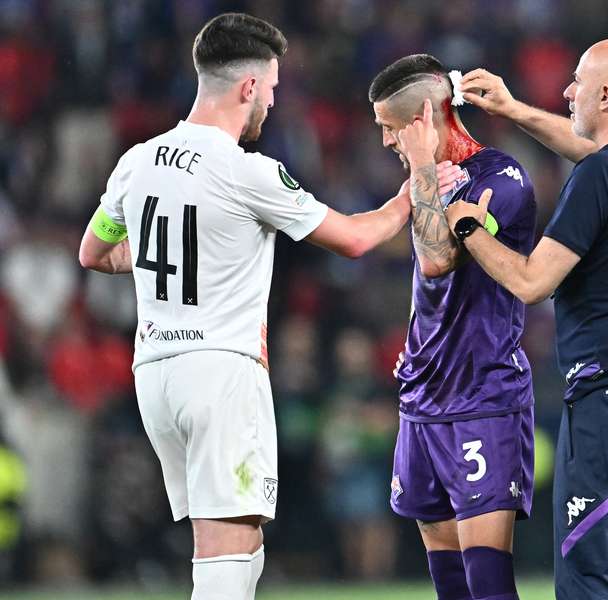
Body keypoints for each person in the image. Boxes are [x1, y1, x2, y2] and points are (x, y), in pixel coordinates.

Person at [77, 14, 459, 600]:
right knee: (226, 545)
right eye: (273, 89)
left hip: (155, 374)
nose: (273, 103)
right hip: (222, 372)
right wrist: (415, 188)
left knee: (240, 543)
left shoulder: (139, 160)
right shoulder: (247, 171)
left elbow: (93, 252)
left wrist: (165, 254)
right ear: (249, 86)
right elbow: (356, 239)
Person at [446, 39, 608, 599]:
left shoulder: (599, 179)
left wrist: (468, 227)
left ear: (606, 94)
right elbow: (597, 154)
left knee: (590, 574)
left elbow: (531, 282)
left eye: (578, 82)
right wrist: (513, 110)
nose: (568, 92)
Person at [368, 54, 537, 600]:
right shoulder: (429, 180)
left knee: (487, 583)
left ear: (421, 118)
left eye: (391, 128)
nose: (387, 143)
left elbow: (439, 257)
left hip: (484, 394)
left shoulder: (501, 179)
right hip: (424, 394)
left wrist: (421, 168)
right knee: (450, 588)